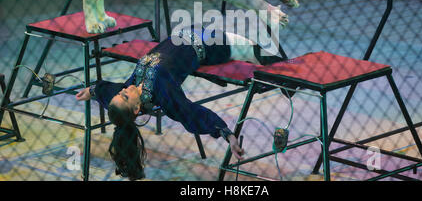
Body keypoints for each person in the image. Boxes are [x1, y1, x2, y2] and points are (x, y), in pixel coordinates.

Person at [75, 25, 281, 180]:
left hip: (188, 31)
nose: (123, 90)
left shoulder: (133, 87)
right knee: (263, 54)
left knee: (261, 47)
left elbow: (112, 92)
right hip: (211, 44)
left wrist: (93, 90)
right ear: (137, 108)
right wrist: (227, 134)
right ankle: (291, 78)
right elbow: (189, 112)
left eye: (120, 94)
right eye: (125, 96)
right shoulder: (163, 91)